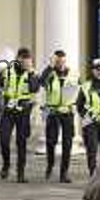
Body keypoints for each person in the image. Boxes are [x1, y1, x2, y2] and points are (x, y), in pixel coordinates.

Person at [0, 47, 39, 182]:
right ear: (18, 59)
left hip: (23, 112)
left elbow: (34, 88)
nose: (26, 63)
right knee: (4, 140)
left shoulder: (32, 74)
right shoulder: (7, 72)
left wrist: (30, 72)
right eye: (24, 60)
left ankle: (21, 173)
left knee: (21, 143)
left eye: (28, 60)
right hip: (8, 111)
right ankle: (6, 164)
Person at [40, 49, 80, 183]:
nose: (61, 64)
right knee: (51, 141)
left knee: (67, 144)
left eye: (63, 61)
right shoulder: (49, 74)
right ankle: (50, 164)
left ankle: (64, 172)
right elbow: (41, 82)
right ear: (54, 61)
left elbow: (80, 91)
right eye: (58, 61)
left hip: (68, 113)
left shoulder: (74, 74)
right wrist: (50, 66)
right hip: (53, 112)